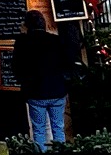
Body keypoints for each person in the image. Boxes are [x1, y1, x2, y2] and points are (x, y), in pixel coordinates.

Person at [10, 12, 76, 147]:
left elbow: (16, 66)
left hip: (35, 92)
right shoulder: (55, 41)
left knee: (39, 129)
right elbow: (68, 62)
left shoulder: (22, 42)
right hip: (57, 90)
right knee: (58, 127)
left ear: (26, 25)